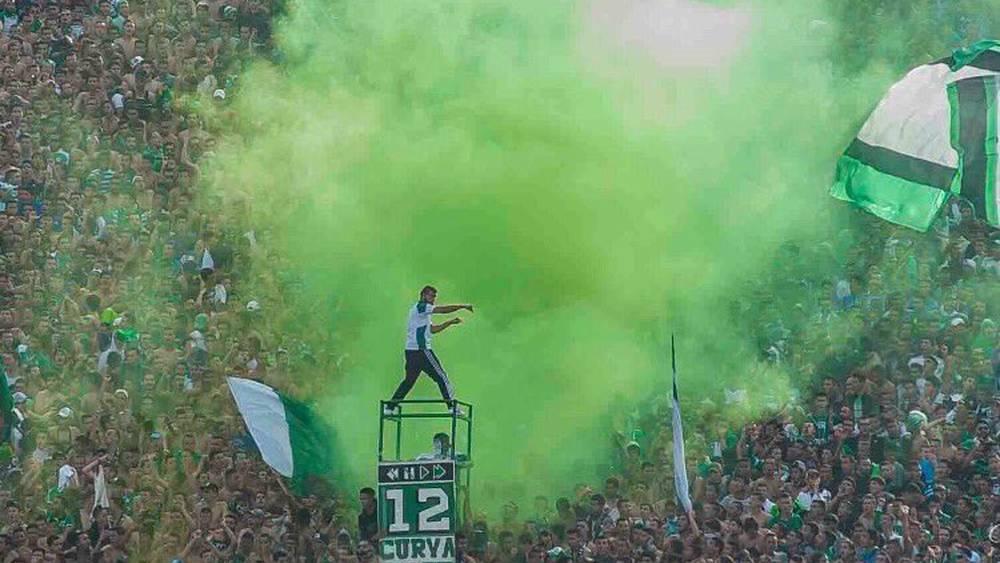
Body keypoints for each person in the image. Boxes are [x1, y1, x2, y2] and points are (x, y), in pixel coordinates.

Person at [385, 286, 472, 416]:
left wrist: (450, 323)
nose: (433, 299)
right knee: (442, 376)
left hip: (411, 352)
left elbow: (433, 330)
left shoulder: (422, 314)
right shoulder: (421, 307)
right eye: (431, 296)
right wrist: (462, 306)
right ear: (423, 295)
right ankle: (451, 406)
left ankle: (389, 408)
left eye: (434, 297)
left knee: (408, 381)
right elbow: (442, 310)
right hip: (421, 351)